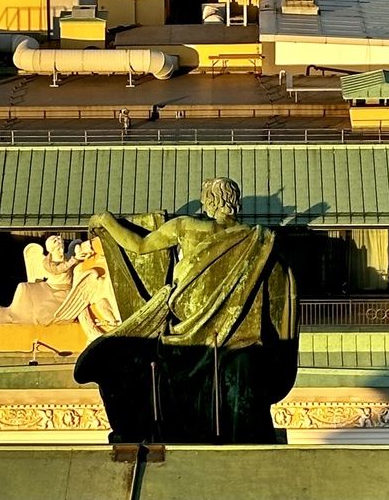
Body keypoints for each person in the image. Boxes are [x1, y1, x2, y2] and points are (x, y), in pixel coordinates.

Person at [76, 178, 298, 444]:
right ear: (235, 203)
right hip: (235, 340)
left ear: (209, 203)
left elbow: (139, 246)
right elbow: (278, 299)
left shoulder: (185, 227)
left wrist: (106, 220)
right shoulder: (259, 242)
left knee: (130, 357)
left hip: (184, 334)